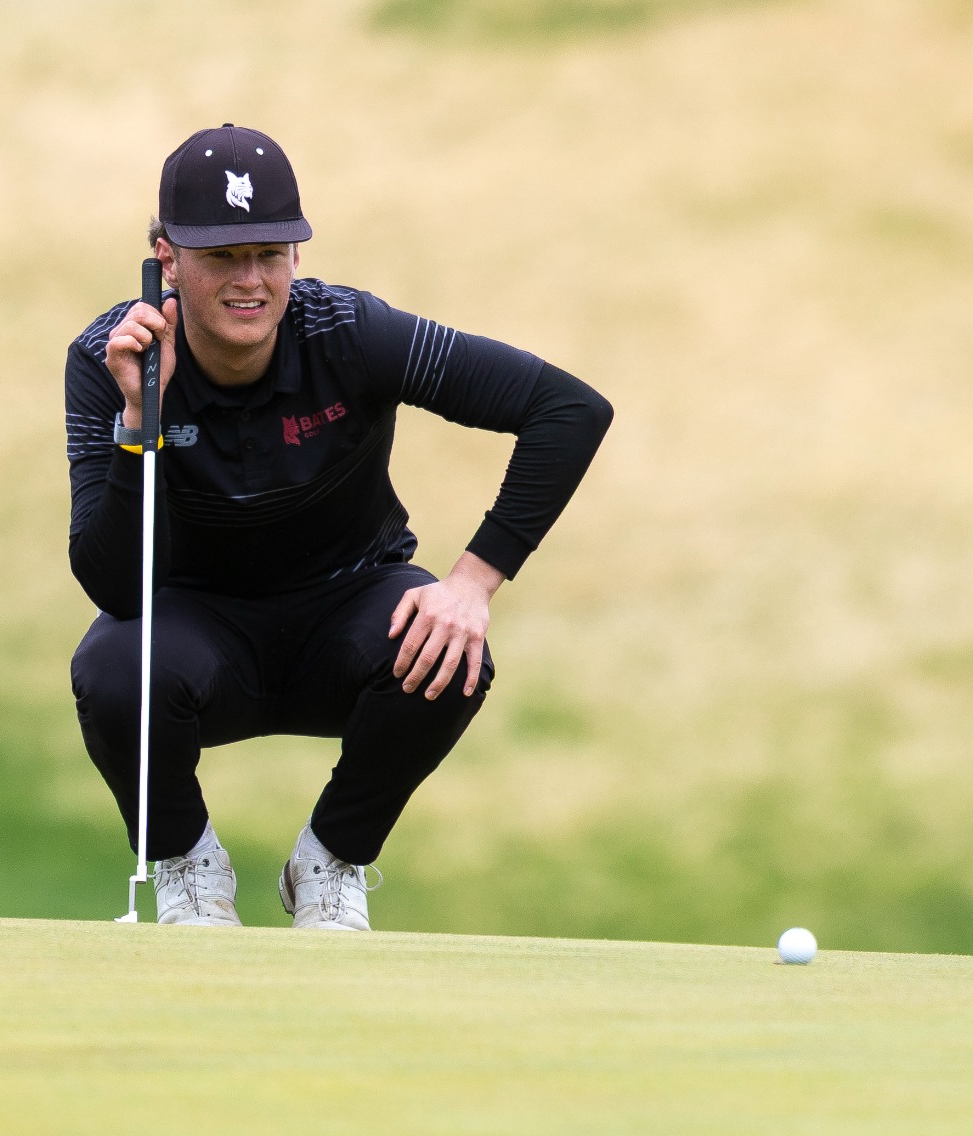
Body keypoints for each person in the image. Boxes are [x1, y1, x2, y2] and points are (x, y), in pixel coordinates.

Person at [65, 124, 612, 928]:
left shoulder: (349, 333)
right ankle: (186, 865)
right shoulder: (105, 359)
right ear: (166, 257)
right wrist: (140, 419)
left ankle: (331, 861)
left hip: (347, 608)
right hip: (194, 628)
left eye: (273, 253)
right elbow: (115, 586)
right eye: (221, 256)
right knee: (112, 667)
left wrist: (473, 581)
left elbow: (567, 409)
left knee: (450, 649)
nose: (250, 280)